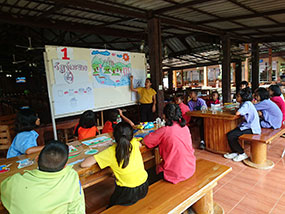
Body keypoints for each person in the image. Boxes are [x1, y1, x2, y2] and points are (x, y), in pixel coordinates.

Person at [1, 141, 85, 214]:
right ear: (65, 166)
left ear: (37, 159)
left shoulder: (15, 182)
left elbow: (3, 188)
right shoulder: (71, 176)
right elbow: (77, 209)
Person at [81, 122, 148, 207]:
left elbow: (84, 164)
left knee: (110, 207)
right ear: (131, 136)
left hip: (127, 193)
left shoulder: (111, 151)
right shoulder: (134, 143)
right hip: (144, 186)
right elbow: (140, 145)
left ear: (113, 136)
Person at [143, 103, 196, 184]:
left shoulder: (165, 130)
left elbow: (145, 141)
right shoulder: (185, 128)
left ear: (164, 116)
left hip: (175, 174)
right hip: (190, 167)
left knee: (149, 174)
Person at [224, 88, 261, 162]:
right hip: (248, 125)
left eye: (238, 96)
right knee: (231, 134)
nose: (236, 97)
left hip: (252, 128)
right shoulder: (245, 103)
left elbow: (237, 113)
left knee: (231, 135)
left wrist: (237, 111)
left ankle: (242, 153)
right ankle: (235, 152)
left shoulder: (247, 104)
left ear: (242, 97)